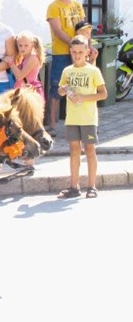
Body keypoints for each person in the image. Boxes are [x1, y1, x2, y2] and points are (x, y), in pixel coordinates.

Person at [56, 35, 107, 199]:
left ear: (87, 51)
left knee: (90, 150)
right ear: (70, 52)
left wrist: (84, 98)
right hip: (72, 118)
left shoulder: (93, 71)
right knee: (74, 150)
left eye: (80, 51)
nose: (77, 55)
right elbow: (60, 89)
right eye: (74, 52)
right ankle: (74, 186)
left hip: (88, 118)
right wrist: (63, 90)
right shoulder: (67, 70)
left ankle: (92, 186)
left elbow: (103, 94)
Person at [46, 0, 85, 137]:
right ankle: (52, 125)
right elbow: (58, 30)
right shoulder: (54, 7)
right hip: (62, 53)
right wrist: (74, 44)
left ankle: (80, 123)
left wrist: (86, 46)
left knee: (81, 86)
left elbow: (83, 27)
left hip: (78, 52)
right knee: (57, 87)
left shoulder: (77, 6)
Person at [10, 30, 45, 100]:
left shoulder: (33, 58)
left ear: (32, 45)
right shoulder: (23, 58)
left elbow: (20, 76)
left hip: (29, 92)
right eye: (20, 45)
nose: (23, 48)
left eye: (26, 45)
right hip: (22, 91)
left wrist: (10, 63)